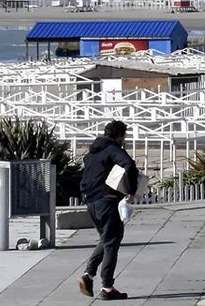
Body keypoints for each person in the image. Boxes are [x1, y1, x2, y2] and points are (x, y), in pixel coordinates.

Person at [78, 120, 139, 300]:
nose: (124, 140)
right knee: (112, 242)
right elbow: (129, 165)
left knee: (106, 239)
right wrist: (131, 192)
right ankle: (107, 287)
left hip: (91, 202)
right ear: (120, 136)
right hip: (107, 201)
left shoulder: (91, 153)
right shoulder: (113, 149)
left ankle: (88, 275)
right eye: (124, 137)